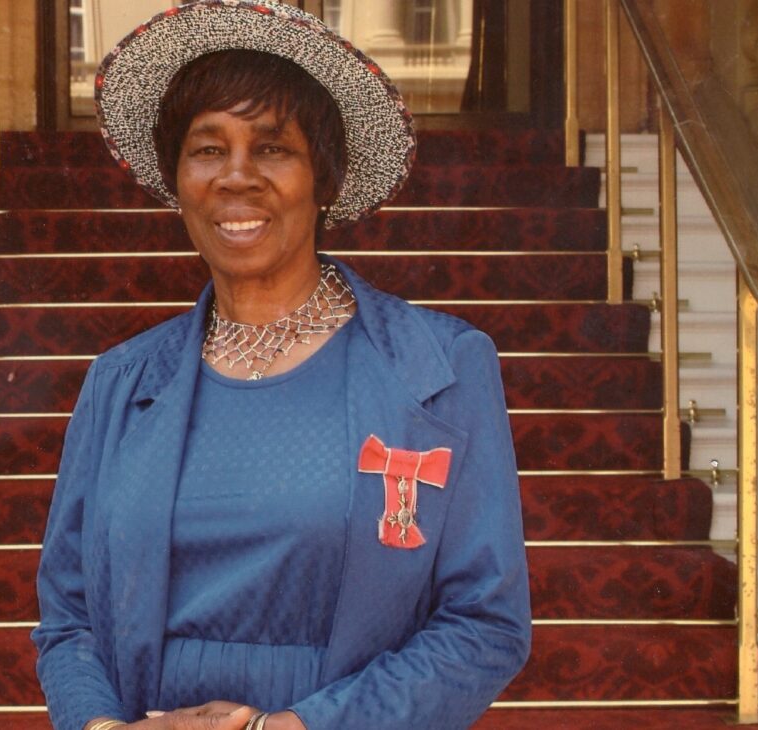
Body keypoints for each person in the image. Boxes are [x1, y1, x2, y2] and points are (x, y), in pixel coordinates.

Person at [31, 3, 531, 729]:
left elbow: (485, 624)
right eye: (207, 149)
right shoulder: (122, 380)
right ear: (177, 181)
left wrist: (290, 729)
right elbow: (68, 615)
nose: (236, 177)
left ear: (322, 178)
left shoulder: (438, 368)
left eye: (272, 148)